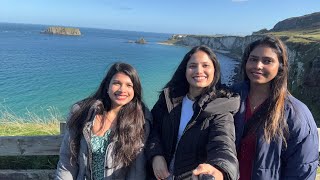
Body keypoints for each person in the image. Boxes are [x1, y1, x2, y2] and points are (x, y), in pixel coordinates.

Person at [195, 36, 319, 179]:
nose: (258, 65)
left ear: (280, 66)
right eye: (253, 59)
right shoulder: (228, 98)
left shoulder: (296, 114)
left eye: (267, 61)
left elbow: (301, 170)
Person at [146, 45, 240, 180]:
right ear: (185, 70)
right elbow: (152, 129)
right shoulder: (169, 98)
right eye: (193, 66)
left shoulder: (221, 108)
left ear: (215, 70)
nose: (199, 71)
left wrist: (220, 170)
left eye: (205, 65)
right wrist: (156, 155)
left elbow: (223, 144)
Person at [56, 62, 152, 180]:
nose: (122, 89)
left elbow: (137, 170)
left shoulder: (140, 120)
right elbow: (67, 161)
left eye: (129, 85)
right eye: (117, 83)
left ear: (135, 90)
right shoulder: (82, 113)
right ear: (107, 86)